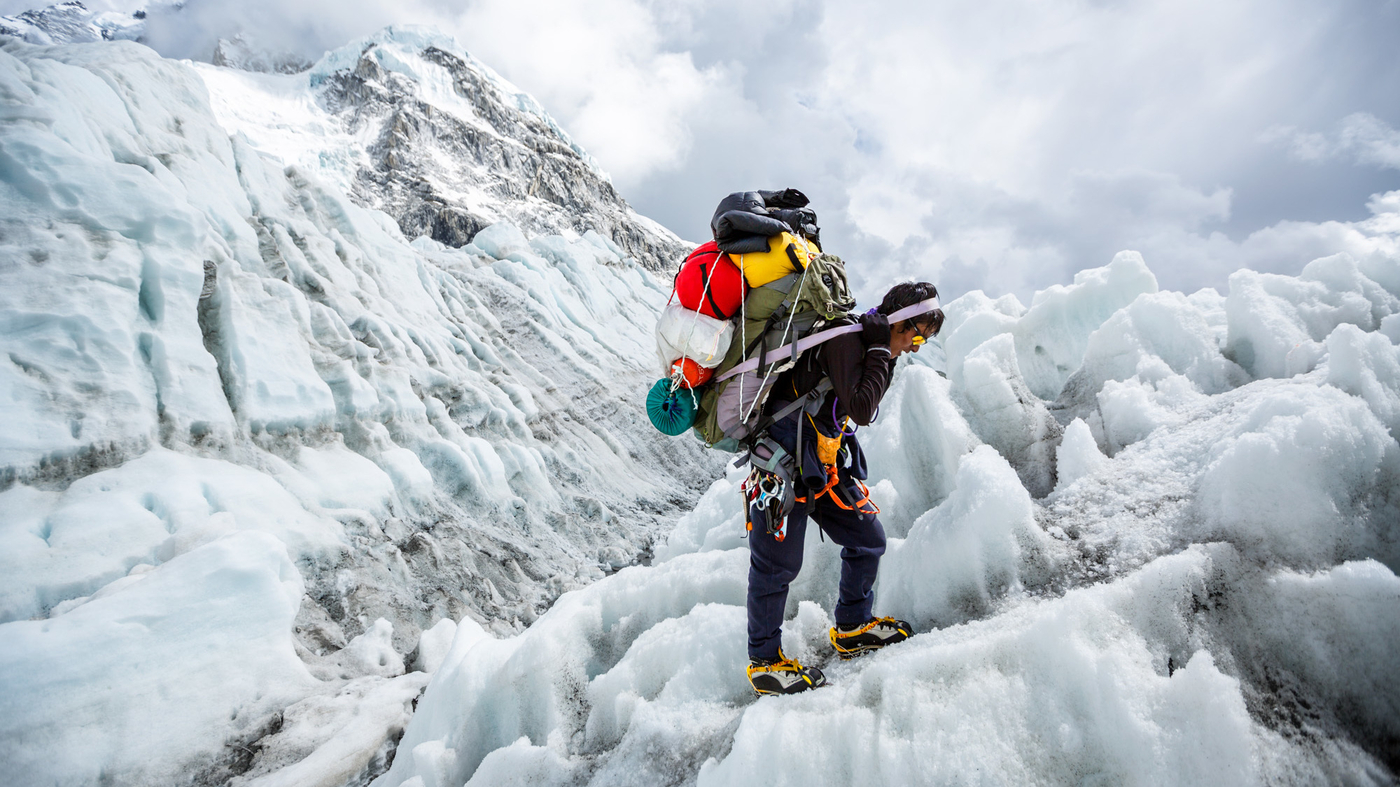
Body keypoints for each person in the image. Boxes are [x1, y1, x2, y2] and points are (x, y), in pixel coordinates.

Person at [744, 281, 945, 695]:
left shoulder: (868, 346)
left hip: (821, 464)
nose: (917, 346)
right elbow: (862, 408)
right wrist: (876, 351)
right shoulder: (848, 342)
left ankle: (852, 627)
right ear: (900, 322)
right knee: (775, 565)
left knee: (867, 537)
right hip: (781, 465)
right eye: (918, 334)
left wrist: (879, 353)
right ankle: (765, 663)